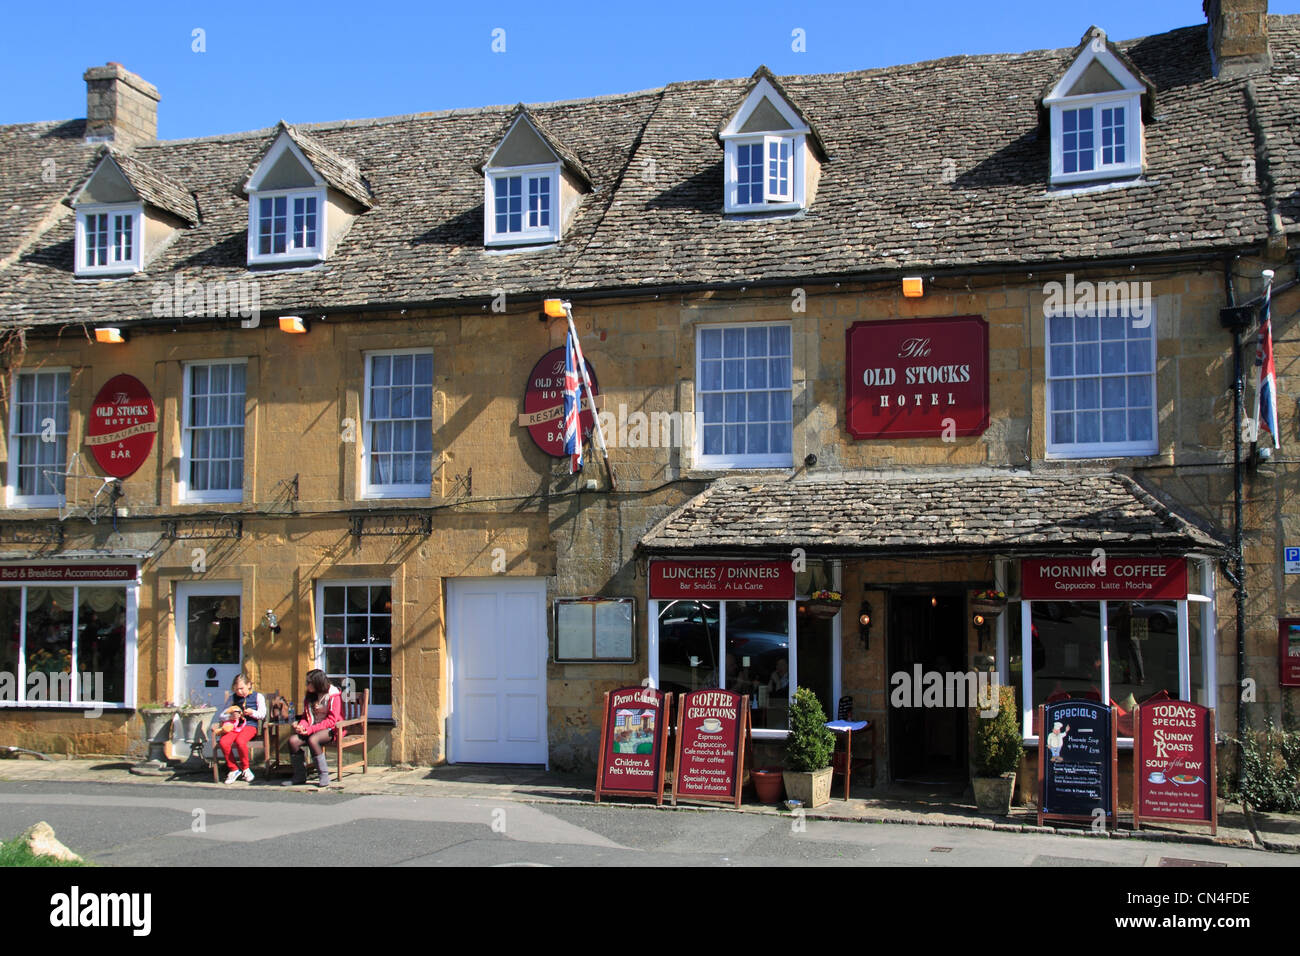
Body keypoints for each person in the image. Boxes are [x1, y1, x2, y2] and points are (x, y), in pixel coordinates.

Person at [282, 669, 344, 787]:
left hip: (331, 729)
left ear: (317, 683)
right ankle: (299, 776)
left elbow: (332, 720)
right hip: (313, 727)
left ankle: (323, 774)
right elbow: (306, 717)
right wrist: (302, 726)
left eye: (308, 683)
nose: (306, 685)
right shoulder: (310, 696)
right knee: (293, 741)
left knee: (313, 740)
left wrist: (310, 730)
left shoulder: (333, 695)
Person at [215, 674, 265, 784]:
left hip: (250, 726)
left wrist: (252, 712)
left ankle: (245, 768)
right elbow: (222, 715)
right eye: (237, 689)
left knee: (240, 741)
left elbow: (262, 714)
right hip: (234, 726)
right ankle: (233, 769)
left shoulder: (257, 696)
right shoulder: (233, 698)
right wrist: (230, 717)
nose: (239, 692)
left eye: (242, 688)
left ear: (248, 685)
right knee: (224, 742)